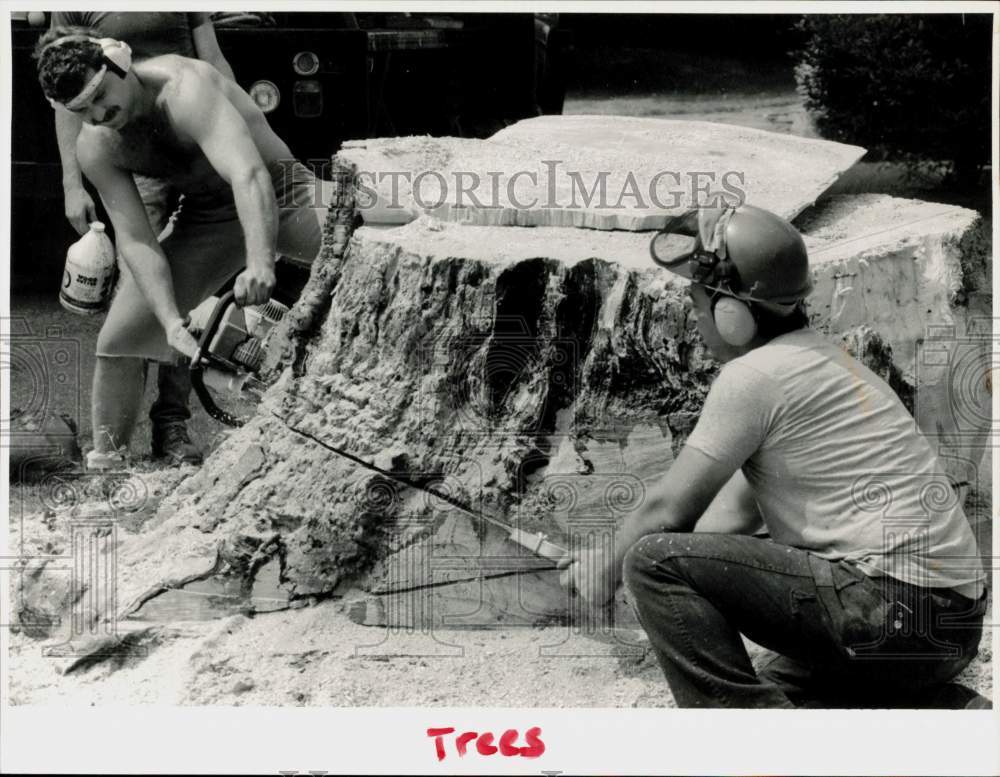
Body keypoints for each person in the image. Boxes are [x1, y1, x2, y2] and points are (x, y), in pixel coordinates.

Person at [558, 204, 987, 708]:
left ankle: (749, 745)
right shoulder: (821, 361)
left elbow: (666, 514)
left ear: (732, 313)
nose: (696, 319)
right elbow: (735, 515)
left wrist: (614, 563)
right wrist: (610, 554)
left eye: (699, 303)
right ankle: (938, 712)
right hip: (947, 627)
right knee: (779, 687)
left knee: (655, 562)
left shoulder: (754, 377)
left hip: (895, 611)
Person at [35, 27, 332, 470]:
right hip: (207, 218)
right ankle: (108, 469)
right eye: (82, 109)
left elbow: (249, 175)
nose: (99, 113)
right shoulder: (94, 144)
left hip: (284, 194)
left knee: (380, 235)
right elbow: (135, 239)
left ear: (118, 62)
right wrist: (170, 320)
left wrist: (259, 260)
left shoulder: (185, 88)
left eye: (100, 95)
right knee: (120, 339)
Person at [50, 12, 236, 466]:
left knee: (192, 296)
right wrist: (73, 183)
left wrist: (237, 128)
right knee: (142, 290)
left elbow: (211, 58)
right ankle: (112, 444)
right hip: (131, 153)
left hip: (191, 137)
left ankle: (171, 424)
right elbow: (67, 95)